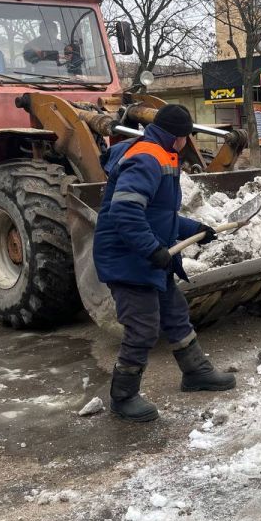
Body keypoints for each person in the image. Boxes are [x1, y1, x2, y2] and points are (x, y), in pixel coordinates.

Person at [93, 104, 236, 422]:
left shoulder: (162, 154)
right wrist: (151, 249)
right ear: (179, 137)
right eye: (188, 136)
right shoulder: (147, 158)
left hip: (145, 255)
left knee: (175, 313)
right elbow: (125, 213)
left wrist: (195, 229)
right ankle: (123, 396)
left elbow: (160, 217)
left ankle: (196, 373)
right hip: (126, 259)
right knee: (142, 328)